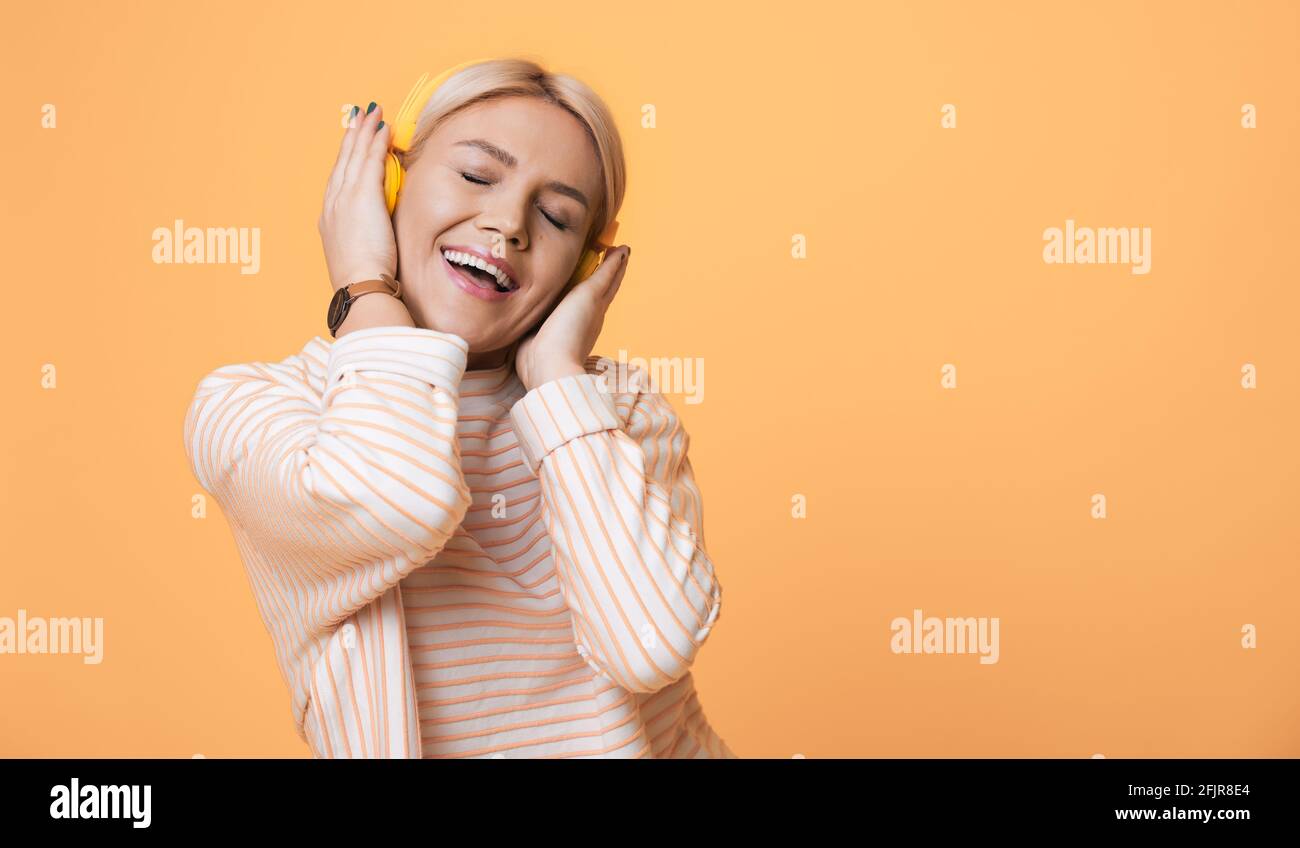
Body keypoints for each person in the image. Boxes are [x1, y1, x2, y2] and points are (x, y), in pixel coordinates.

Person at [183, 58, 734, 758]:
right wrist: (362, 286)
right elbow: (393, 501)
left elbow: (648, 646)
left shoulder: (616, 411)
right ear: (388, 183)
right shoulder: (253, 410)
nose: (507, 225)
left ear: (586, 266)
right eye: (477, 176)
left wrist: (558, 382)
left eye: (557, 216)